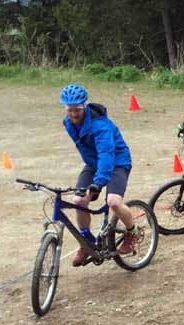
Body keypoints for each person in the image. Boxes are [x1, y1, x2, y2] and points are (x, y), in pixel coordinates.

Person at [60, 83, 138, 267]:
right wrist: (91, 184)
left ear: (84, 106)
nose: (73, 114)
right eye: (69, 110)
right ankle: (86, 243)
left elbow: (106, 154)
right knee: (78, 201)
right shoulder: (68, 123)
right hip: (94, 164)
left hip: (117, 162)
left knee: (113, 202)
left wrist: (99, 182)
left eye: (77, 110)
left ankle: (133, 231)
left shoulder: (100, 126)